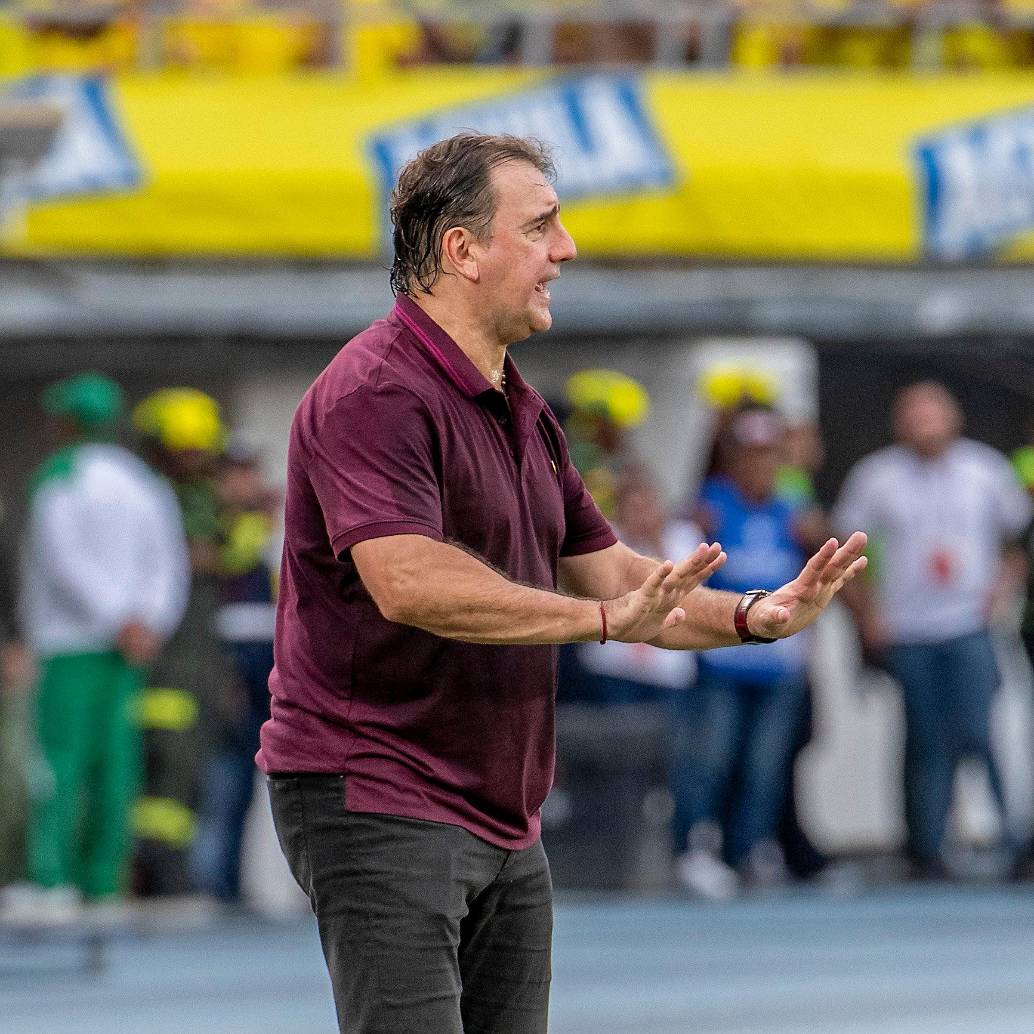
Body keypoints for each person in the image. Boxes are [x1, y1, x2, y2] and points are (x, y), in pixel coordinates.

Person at [257, 131, 868, 1034]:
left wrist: (753, 615)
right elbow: (410, 581)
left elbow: (619, 573)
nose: (567, 248)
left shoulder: (523, 406)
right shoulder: (375, 393)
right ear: (461, 251)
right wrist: (601, 619)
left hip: (502, 807)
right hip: (377, 790)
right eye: (541, 226)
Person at [3, 372, 189, 923]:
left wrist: (113, 620)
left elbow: (63, 563)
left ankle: (52, 878)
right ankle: (103, 880)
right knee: (114, 764)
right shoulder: (144, 483)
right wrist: (147, 623)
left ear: (67, 422)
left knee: (56, 764)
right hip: (129, 651)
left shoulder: (59, 478)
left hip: (69, 645)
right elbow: (168, 562)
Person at [833, 381, 1031, 877]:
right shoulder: (877, 476)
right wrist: (868, 615)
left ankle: (1011, 839)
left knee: (980, 730)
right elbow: (845, 551)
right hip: (909, 628)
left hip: (968, 622)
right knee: (924, 738)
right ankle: (926, 846)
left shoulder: (985, 469)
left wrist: (1000, 591)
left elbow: (1015, 541)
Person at [672, 405, 815, 899]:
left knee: (765, 765)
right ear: (732, 459)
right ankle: (694, 847)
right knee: (709, 759)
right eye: (751, 456)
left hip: (777, 662)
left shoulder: (793, 511)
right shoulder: (709, 506)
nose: (761, 467)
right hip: (723, 659)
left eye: (769, 456)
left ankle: (747, 849)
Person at [131, 387, 236, 896]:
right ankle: (157, 875)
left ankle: (169, 872)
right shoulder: (155, 496)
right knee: (164, 770)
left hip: (196, 660)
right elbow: (196, 558)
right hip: (167, 661)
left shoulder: (196, 495)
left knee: (185, 773)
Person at [191, 440, 279, 907]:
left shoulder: (264, 530)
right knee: (223, 782)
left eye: (250, 471)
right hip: (225, 666)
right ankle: (211, 883)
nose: (245, 483)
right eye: (235, 473)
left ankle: (234, 884)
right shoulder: (213, 528)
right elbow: (221, 574)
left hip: (266, 667)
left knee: (253, 784)